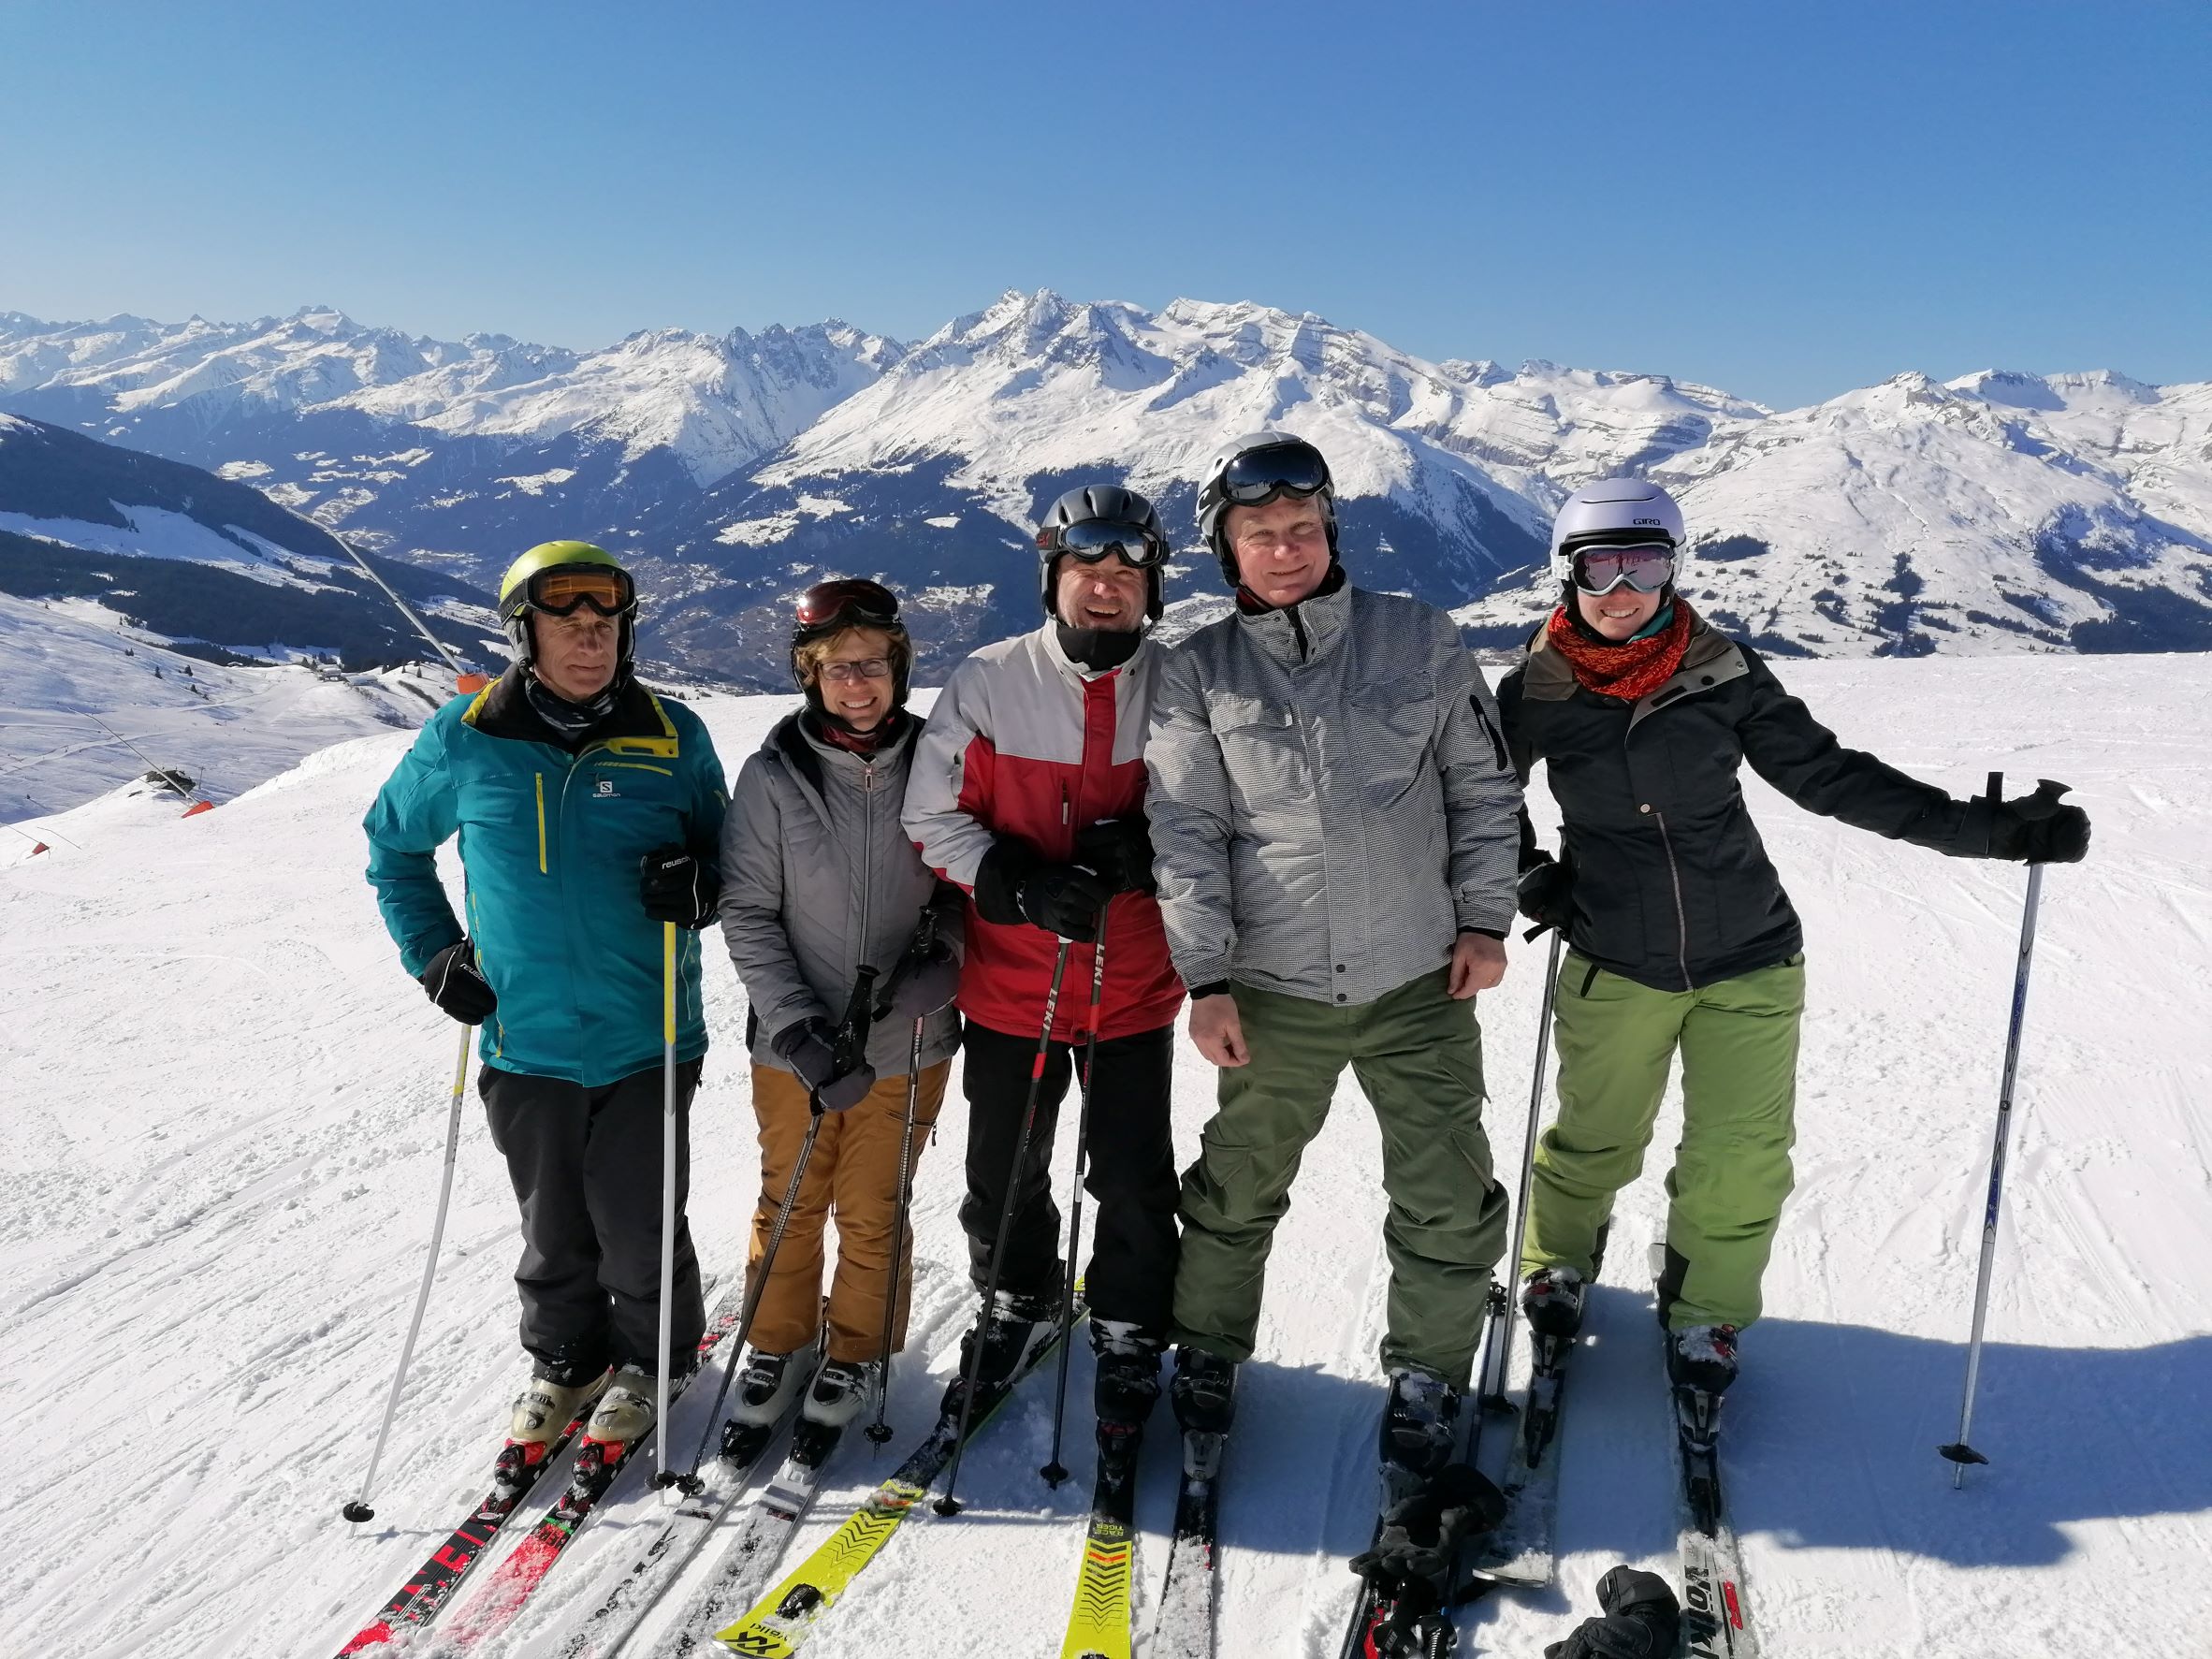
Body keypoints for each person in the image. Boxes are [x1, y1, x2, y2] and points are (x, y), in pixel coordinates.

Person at [1498, 478, 2093, 1402]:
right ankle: (1555, 1264)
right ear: (1565, 576)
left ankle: (1706, 1314)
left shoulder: (1726, 673)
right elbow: (1483, 798)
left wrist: (1992, 832)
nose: (1623, 588)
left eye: (1645, 564)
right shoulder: (1536, 689)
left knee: (1741, 1154)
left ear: (1673, 569)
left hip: (1751, 954)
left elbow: (1832, 779)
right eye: (1599, 566)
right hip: (1616, 954)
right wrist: (1530, 872)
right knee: (1596, 1137)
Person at [1144, 430, 1521, 1489]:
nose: (1284, 549)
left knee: (1447, 1190)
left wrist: (1486, 919)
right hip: (1274, 993)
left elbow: (1484, 793)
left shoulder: (1421, 640)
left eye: (1302, 529)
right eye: (1258, 534)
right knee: (1235, 1190)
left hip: (1418, 979)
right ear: (1225, 548)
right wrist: (1207, 979)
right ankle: (1210, 1357)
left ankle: (1431, 1374)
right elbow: (1187, 835)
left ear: (1331, 531)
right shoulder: (1195, 674)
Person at [364, 541, 730, 1462]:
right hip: (521, 1039)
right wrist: (436, 955)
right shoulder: (467, 736)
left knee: (639, 1221)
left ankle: (653, 1360)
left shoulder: (673, 735)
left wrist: (705, 886)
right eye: (567, 623)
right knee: (552, 1221)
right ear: (524, 633)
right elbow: (394, 849)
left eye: (605, 624)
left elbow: (732, 860)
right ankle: (566, 1360)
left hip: (647, 1033)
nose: (589, 640)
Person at [902, 486, 1185, 1437]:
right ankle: (1018, 1292)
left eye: (1125, 574)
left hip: (1132, 979)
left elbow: (1228, 811)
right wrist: (1015, 884)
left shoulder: (1178, 686)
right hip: (1016, 980)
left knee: (1135, 1174)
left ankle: (1133, 1318)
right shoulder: (987, 681)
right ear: (1051, 578)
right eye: (1084, 571)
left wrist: (1155, 848)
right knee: (1003, 1166)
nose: (1104, 590)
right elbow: (930, 816)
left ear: (1150, 587)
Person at [717, 578, 964, 1450]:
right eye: (837, 668)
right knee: (790, 1195)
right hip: (796, 1045)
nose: (857, 683)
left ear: (898, 668)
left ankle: (856, 1349)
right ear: (809, 676)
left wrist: (948, 952)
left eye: (873, 665)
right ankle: (779, 1340)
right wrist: (795, 1027)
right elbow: (746, 912)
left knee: (873, 1201)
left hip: (910, 1036)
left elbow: (964, 877)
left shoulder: (943, 760)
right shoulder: (773, 777)